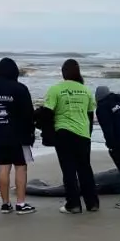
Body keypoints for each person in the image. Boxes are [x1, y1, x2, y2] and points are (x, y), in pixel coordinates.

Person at [0, 57, 36, 215]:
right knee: (21, 168)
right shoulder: (20, 88)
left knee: (3, 167)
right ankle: (21, 204)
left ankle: (5, 203)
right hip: (18, 134)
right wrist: (31, 133)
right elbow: (28, 113)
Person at [43, 59, 99, 214]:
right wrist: (87, 134)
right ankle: (92, 203)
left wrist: (48, 135)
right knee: (85, 169)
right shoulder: (86, 90)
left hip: (64, 132)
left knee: (68, 170)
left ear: (63, 73)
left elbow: (47, 113)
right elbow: (90, 115)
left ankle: (73, 204)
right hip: (83, 134)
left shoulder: (55, 89)